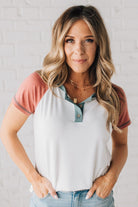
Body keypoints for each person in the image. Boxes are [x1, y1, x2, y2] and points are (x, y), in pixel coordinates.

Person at [0, 5, 131, 207]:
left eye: (88, 40)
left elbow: (121, 145)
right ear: (61, 43)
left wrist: (111, 177)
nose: (78, 50)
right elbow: (7, 131)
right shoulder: (38, 85)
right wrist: (33, 179)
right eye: (70, 40)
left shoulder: (113, 96)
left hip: (96, 201)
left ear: (99, 44)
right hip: (49, 200)